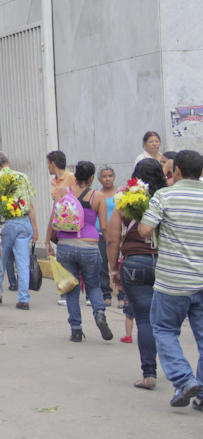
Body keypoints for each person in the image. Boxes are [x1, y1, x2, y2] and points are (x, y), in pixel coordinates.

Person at [136, 150, 203, 409]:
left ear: (176, 171)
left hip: (172, 282)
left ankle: (184, 380)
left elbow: (143, 230)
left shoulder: (164, 195)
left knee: (164, 330)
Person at [107, 158, 167, 391]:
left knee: (144, 320)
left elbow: (113, 238)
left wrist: (113, 269)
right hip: (165, 263)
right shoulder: (166, 198)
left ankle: (149, 374)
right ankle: (178, 371)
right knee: (166, 322)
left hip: (134, 264)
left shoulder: (125, 201)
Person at [45, 161, 112, 342]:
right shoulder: (97, 197)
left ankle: (76, 329)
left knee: (71, 289)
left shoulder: (62, 191)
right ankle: (99, 314)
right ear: (92, 178)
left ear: (75, 175)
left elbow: (54, 217)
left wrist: (47, 241)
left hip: (66, 244)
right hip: (90, 245)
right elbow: (104, 227)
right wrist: (112, 245)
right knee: (94, 285)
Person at [0, 151, 38, 310]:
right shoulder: (23, 177)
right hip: (23, 221)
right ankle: (23, 298)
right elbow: (31, 205)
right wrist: (35, 229)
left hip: (3, 223)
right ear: (9, 161)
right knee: (22, 262)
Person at [97, 166, 118, 307]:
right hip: (100, 235)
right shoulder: (97, 194)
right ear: (99, 179)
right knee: (103, 266)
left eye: (110, 175)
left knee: (118, 265)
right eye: (104, 176)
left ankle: (122, 295)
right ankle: (106, 295)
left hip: (117, 235)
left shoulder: (120, 193)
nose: (108, 178)